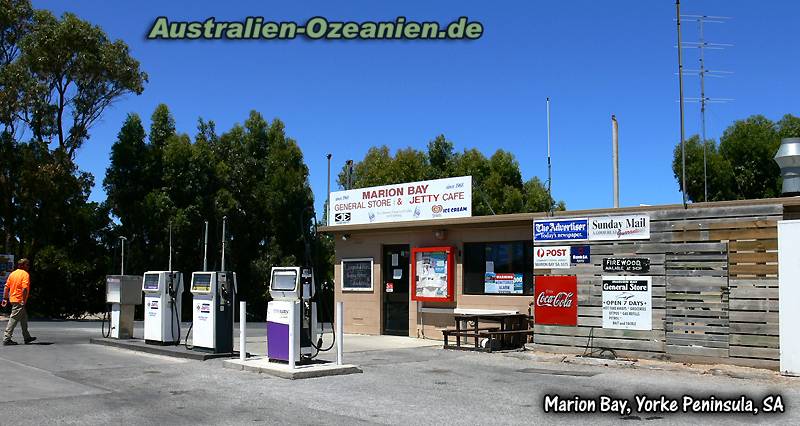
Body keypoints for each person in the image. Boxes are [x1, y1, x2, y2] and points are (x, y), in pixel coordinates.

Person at [2, 258, 36, 345]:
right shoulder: (25, 274)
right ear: (22, 265)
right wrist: (23, 301)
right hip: (19, 300)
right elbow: (24, 288)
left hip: (13, 299)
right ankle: (7, 338)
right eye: (27, 265)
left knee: (24, 318)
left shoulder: (12, 274)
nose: (28, 266)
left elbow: (6, 287)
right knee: (13, 319)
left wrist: (5, 298)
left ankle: (27, 337)